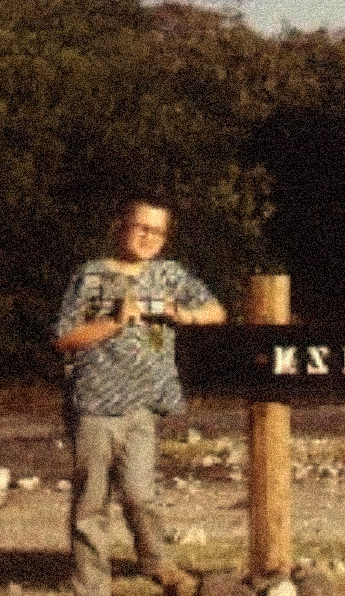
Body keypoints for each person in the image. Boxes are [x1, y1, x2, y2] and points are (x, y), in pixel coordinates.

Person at [54, 198, 227, 596]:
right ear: (119, 226)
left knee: (140, 494)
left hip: (145, 404)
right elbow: (64, 338)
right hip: (94, 405)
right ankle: (91, 583)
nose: (149, 237)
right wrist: (113, 322)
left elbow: (217, 311)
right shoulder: (91, 275)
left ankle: (157, 563)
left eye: (158, 230)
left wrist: (182, 313)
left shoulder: (169, 275)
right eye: (141, 227)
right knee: (91, 500)